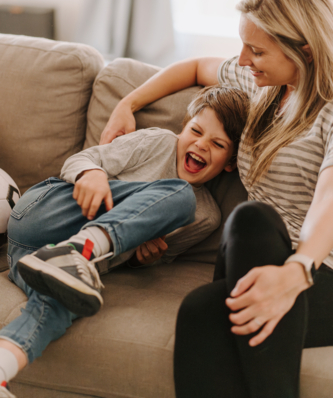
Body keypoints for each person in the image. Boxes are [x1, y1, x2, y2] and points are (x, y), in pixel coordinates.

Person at [97, 0, 333, 397]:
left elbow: (329, 199)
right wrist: (127, 104)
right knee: (251, 222)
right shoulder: (262, 87)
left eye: (257, 50)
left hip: (321, 273)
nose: (242, 60)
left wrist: (297, 271)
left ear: (305, 52)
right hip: (252, 254)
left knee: (201, 311)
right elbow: (193, 67)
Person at [0, 85, 248, 398]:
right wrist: (92, 173)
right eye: (195, 131)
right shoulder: (159, 141)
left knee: (66, 301)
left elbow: (150, 257)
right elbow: (81, 161)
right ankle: (77, 249)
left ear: (230, 162)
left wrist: (141, 260)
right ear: (183, 128)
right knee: (181, 195)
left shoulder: (206, 217)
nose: (200, 144)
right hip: (47, 213)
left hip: (31, 258)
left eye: (217, 143)